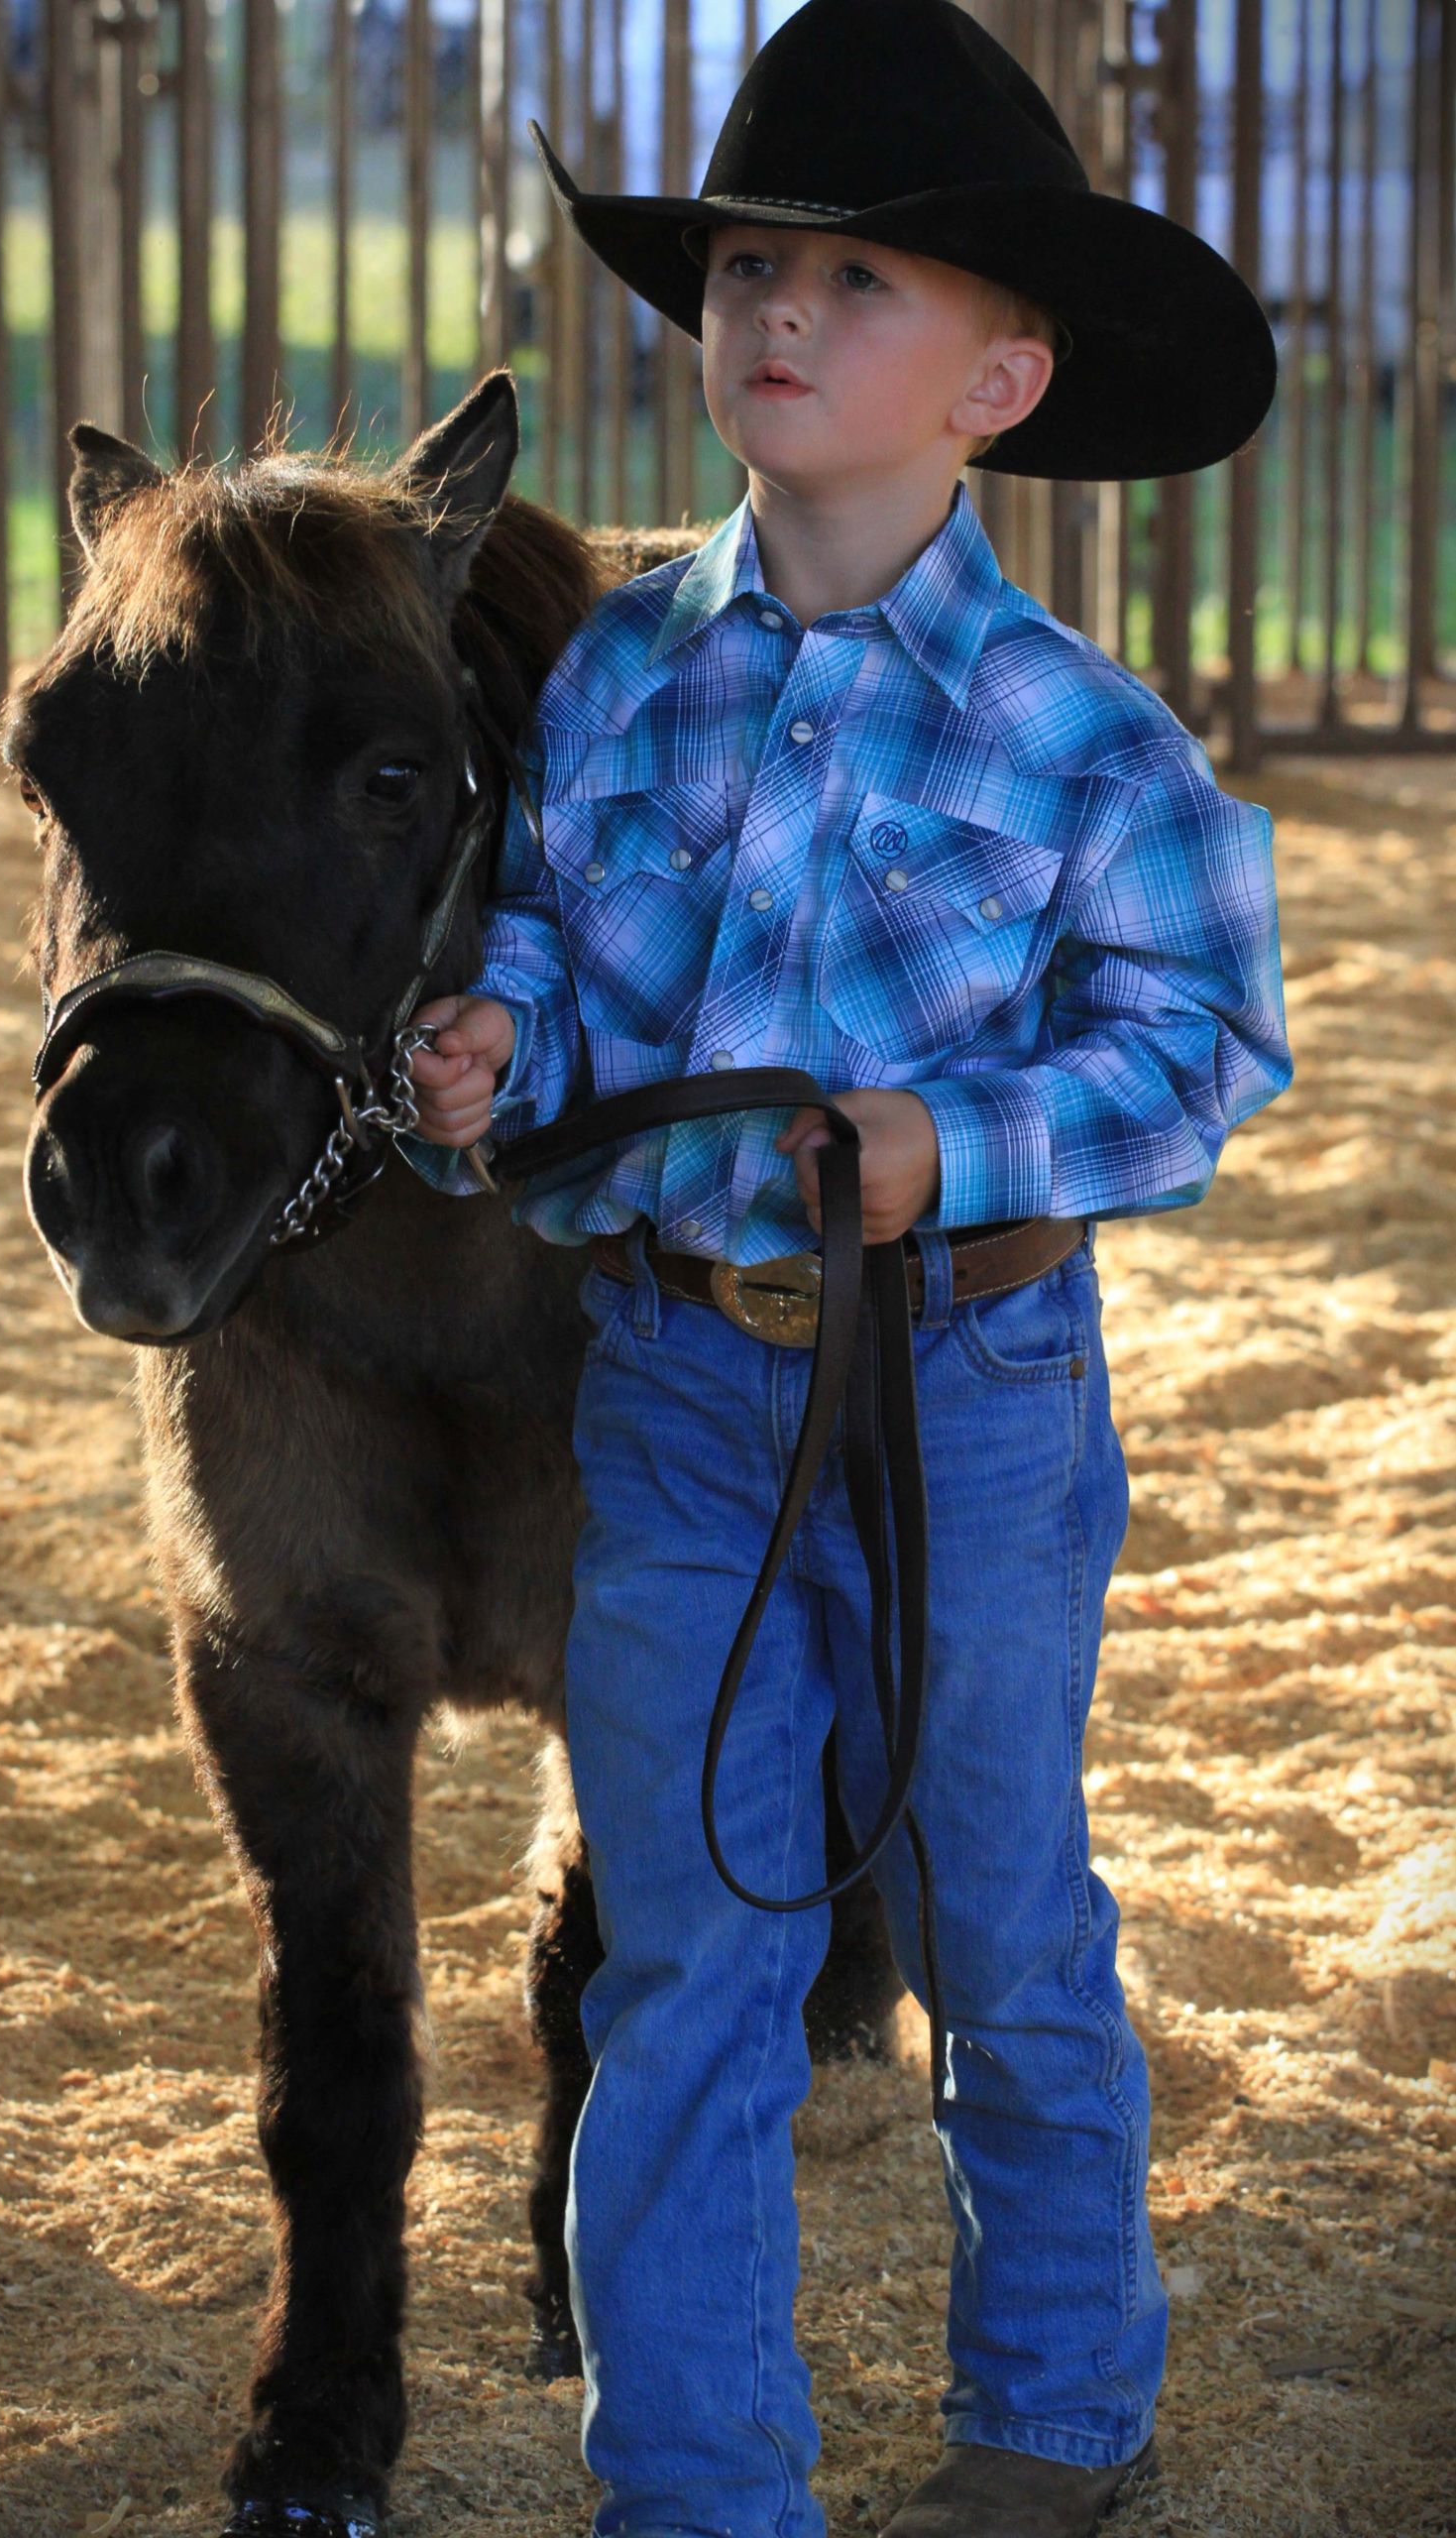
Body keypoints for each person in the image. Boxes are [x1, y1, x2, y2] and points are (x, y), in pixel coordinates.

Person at [406, 4, 1289, 2532]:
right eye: (750, 268)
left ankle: (1048, 2416)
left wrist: (957, 1133)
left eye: (854, 282)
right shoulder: (614, 674)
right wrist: (505, 1033)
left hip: (977, 1401)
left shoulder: (1081, 733)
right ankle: (697, 2481)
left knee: (1001, 1914)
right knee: (685, 1959)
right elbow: (574, 952)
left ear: (997, 377)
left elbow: (1202, 1048)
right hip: (676, 1390)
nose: (777, 312)